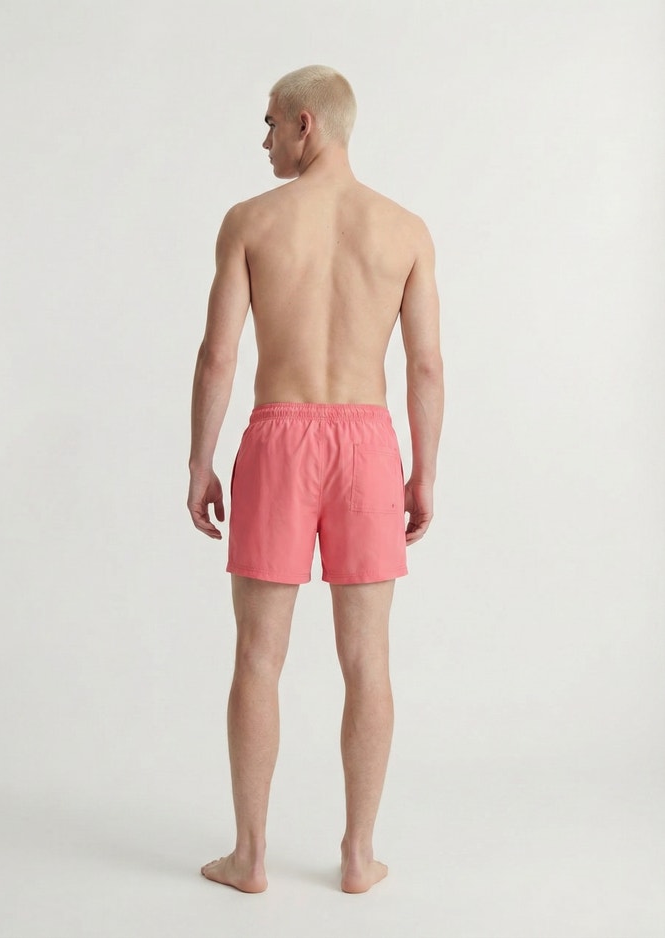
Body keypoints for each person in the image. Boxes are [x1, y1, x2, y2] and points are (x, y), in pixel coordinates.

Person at [187, 64, 444, 894]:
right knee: (368, 661)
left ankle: (250, 856)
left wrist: (200, 459)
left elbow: (219, 354)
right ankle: (359, 857)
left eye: (269, 123)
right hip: (369, 446)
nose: (263, 140)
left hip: (279, 439)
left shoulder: (251, 222)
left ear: (307, 124)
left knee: (258, 657)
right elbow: (427, 366)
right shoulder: (404, 230)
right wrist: (423, 472)